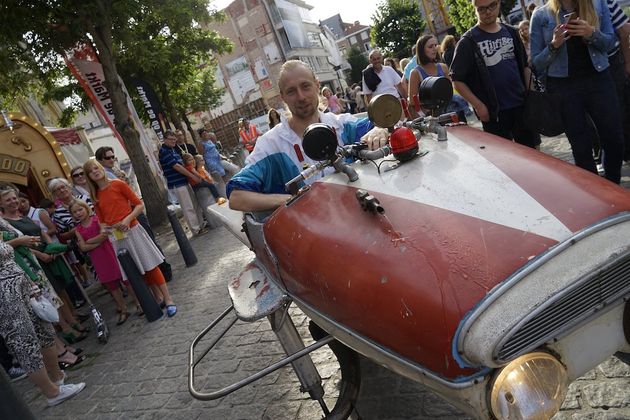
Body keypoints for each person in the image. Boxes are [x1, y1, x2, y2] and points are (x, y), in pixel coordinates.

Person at [227, 60, 385, 213]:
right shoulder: (270, 145)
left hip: (359, 214)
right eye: (291, 91)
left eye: (305, 86)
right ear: (283, 97)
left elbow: (385, 123)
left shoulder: (342, 125)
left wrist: (381, 128)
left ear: (317, 85)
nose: (301, 97)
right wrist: (293, 200)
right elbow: (236, 196)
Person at [530, 0, 624, 183]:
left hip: (598, 79)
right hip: (563, 87)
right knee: (581, 147)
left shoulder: (598, 4)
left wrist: (591, 33)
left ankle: (612, 186)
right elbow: (536, 63)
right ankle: (597, 195)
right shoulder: (541, 15)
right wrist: (554, 45)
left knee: (614, 139)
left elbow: (611, 42)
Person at [0, 219, 85, 406]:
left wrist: (30, 284)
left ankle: (57, 379)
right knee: (24, 342)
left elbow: (14, 243)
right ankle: (52, 393)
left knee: (45, 330)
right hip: (4, 297)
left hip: (20, 281)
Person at [83, 160, 178, 317]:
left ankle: (168, 300)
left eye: (96, 168)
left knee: (150, 266)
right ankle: (158, 298)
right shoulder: (96, 196)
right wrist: (105, 228)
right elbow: (102, 221)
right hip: (117, 237)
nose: (94, 171)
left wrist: (127, 220)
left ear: (101, 168)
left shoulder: (118, 184)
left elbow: (138, 204)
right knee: (139, 270)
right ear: (89, 177)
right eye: (90, 171)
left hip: (133, 230)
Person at [450, 0, 540, 148]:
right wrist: (479, 106)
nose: (488, 12)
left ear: (498, 4)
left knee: (533, 155)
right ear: (475, 10)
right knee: (505, 161)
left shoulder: (511, 32)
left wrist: (531, 97)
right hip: (494, 113)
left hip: (521, 106)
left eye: (492, 6)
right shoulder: (468, 41)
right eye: (482, 9)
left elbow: (524, 67)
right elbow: (457, 80)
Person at [71, 199, 140, 324]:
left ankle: (138, 303)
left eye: (80, 209)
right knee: (111, 285)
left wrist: (89, 241)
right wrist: (92, 242)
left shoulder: (98, 220)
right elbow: (83, 247)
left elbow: (105, 235)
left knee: (125, 279)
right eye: (74, 212)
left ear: (86, 208)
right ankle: (123, 309)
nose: (78, 213)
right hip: (98, 258)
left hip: (110, 251)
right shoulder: (78, 229)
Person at [158, 130, 206, 236]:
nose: (174, 141)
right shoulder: (164, 151)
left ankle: (201, 224)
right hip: (177, 183)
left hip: (184, 181)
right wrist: (192, 176)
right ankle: (196, 229)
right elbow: (178, 167)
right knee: (188, 207)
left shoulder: (172, 150)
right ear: (165, 139)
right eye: (171, 139)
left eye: (175, 140)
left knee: (194, 204)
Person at [198, 129, 239, 197]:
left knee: (232, 168)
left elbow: (216, 151)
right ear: (201, 136)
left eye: (206, 133)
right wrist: (204, 166)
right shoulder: (201, 144)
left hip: (218, 159)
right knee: (220, 177)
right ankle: (227, 193)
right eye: (203, 134)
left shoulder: (210, 141)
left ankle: (235, 185)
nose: (205, 134)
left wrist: (224, 157)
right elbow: (202, 155)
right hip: (211, 161)